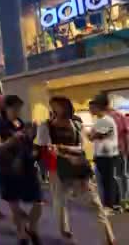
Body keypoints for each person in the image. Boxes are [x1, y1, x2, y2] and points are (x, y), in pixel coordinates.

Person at [36, 96, 115, 244]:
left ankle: (109, 237)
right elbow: (46, 148)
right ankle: (65, 234)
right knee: (60, 202)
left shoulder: (77, 124)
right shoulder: (45, 126)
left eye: (65, 106)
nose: (63, 110)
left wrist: (64, 149)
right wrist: (65, 153)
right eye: (58, 107)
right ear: (53, 110)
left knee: (94, 202)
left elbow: (81, 146)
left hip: (79, 168)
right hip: (57, 169)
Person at [0, 95, 42, 245]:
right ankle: (21, 234)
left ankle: (32, 228)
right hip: (8, 166)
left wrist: (31, 136)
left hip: (26, 165)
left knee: (38, 201)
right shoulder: (0, 124)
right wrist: (12, 140)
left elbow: (27, 143)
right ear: (6, 108)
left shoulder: (20, 122)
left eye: (19, 108)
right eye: (14, 108)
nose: (17, 111)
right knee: (14, 203)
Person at [93, 93, 129, 208]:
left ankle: (115, 202)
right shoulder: (109, 118)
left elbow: (95, 136)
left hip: (111, 153)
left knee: (113, 178)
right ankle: (119, 201)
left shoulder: (107, 119)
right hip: (115, 151)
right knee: (116, 177)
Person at [89, 99, 122, 213]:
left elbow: (95, 136)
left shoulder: (105, 120)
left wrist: (92, 134)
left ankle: (110, 206)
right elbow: (93, 136)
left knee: (107, 181)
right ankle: (115, 203)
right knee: (108, 180)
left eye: (91, 108)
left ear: (98, 108)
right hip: (103, 154)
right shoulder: (101, 121)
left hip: (107, 155)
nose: (90, 111)